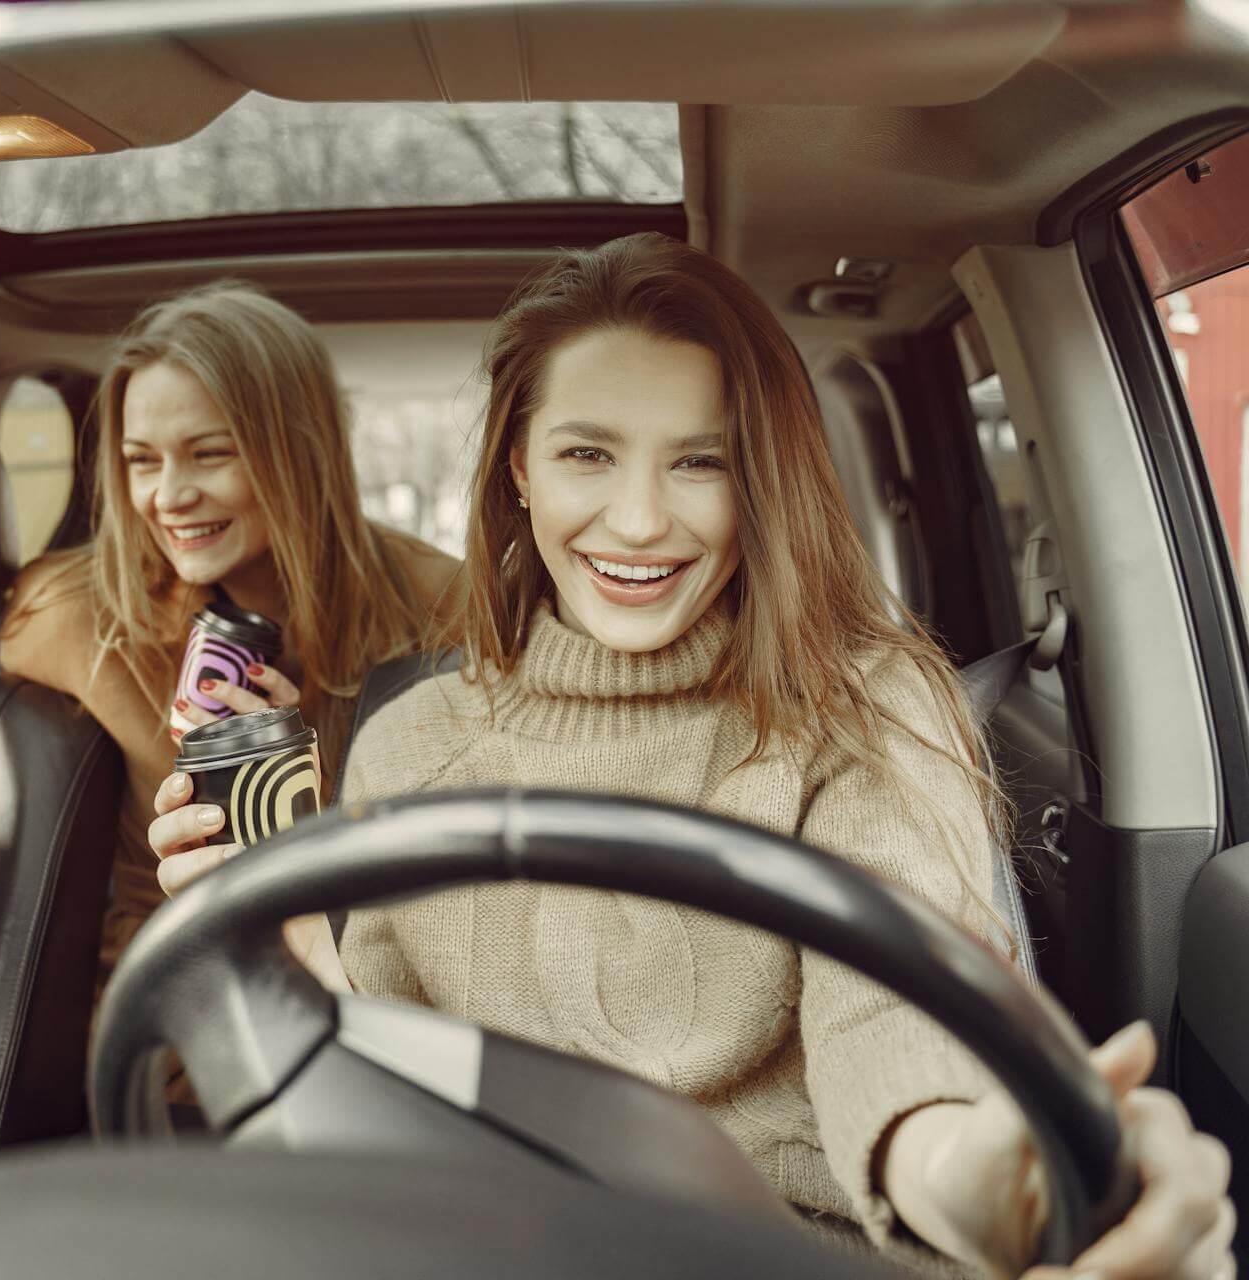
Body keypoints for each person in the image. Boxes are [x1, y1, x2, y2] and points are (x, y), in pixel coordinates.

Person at [149, 236, 1235, 1278]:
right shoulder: (409, 744)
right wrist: (290, 962)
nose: (638, 520)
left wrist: (1004, 1180)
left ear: (757, 478)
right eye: (587, 453)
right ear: (518, 466)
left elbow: (899, 1048)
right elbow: (384, 1121)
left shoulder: (861, 712)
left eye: (701, 461)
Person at [0, 281, 458, 978]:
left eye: (210, 453)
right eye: (142, 460)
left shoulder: (440, 608)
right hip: (174, 1002)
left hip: (376, 988)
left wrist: (313, 794)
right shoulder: (77, 617)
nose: (169, 496)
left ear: (298, 452)